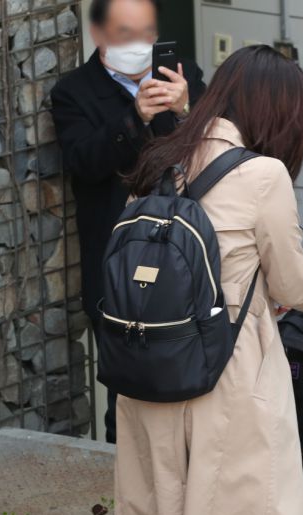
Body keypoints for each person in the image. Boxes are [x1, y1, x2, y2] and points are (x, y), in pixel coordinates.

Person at [115, 45, 303, 515]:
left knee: (158, 501)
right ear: (277, 113)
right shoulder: (263, 174)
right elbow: (294, 289)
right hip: (228, 369)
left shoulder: (161, 157)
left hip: (151, 364)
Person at [50, 0, 206, 444]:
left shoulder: (182, 74)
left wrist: (187, 108)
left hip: (189, 255)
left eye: (146, 31)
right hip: (120, 266)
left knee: (194, 385)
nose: (139, 42)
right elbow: (84, 162)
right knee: (129, 397)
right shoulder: (73, 92)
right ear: (99, 35)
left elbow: (219, 144)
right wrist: (135, 117)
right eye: (125, 32)